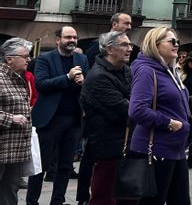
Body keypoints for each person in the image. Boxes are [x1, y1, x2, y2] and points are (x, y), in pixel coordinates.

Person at [129, 27, 192, 205]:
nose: (176, 45)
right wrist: (169, 123)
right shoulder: (146, 71)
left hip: (176, 150)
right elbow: (137, 109)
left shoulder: (170, 72)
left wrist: (191, 125)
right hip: (155, 149)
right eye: (171, 41)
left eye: (177, 42)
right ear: (155, 45)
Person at [27, 25, 89, 205]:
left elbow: (89, 87)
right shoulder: (45, 58)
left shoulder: (82, 58)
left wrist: (83, 82)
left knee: (65, 166)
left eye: (74, 38)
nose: (72, 41)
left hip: (73, 120)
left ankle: (58, 201)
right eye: (68, 37)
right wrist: (67, 77)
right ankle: (32, 201)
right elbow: (41, 85)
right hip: (50, 120)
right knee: (42, 166)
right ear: (58, 40)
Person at [79, 31, 134, 205]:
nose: (130, 49)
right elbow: (125, 108)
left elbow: (136, 100)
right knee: (104, 197)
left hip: (126, 144)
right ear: (110, 49)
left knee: (128, 197)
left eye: (130, 45)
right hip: (107, 147)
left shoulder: (126, 70)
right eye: (124, 45)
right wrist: (137, 105)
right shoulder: (98, 76)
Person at [0, 38, 34, 203]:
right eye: (25, 56)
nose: (29, 59)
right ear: (9, 59)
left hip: (15, 151)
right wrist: (11, 118)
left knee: (10, 191)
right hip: (2, 148)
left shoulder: (19, 77)